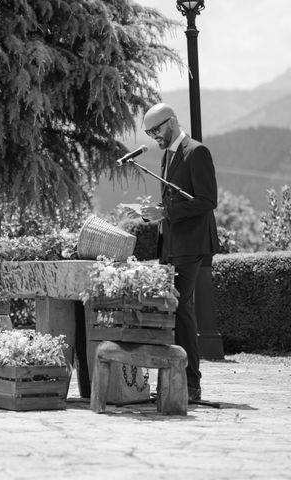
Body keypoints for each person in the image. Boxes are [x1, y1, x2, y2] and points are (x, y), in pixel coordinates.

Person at [127, 102, 220, 402]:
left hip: (192, 245)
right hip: (171, 245)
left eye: (156, 129)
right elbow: (173, 205)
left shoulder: (197, 152)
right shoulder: (167, 156)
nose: (154, 136)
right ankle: (172, 380)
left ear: (172, 122)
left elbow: (207, 201)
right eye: (150, 132)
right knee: (170, 311)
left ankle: (190, 385)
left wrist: (166, 211)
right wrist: (155, 214)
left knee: (181, 310)